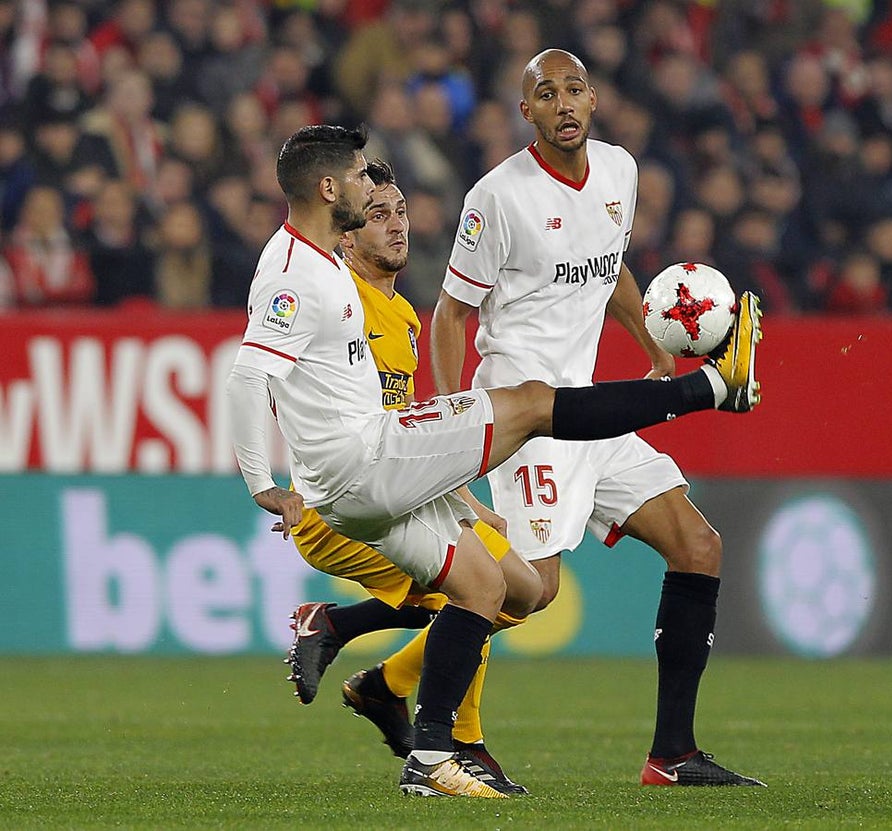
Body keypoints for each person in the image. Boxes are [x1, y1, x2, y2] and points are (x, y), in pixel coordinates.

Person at [227, 123, 760, 797]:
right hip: (358, 473)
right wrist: (263, 484)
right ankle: (710, 386)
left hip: (379, 464)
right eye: (367, 184)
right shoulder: (302, 276)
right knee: (534, 408)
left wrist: (455, 484)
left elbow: (326, 388)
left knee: (506, 585)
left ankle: (426, 753)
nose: (390, 209)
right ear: (331, 191)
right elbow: (251, 376)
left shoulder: (335, 269)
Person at [430, 49, 765, 787]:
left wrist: (651, 344)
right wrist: (457, 421)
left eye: (574, 89)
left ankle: (671, 754)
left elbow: (607, 267)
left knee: (698, 545)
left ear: (594, 97)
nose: (564, 104)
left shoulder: (621, 172)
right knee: (529, 591)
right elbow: (452, 310)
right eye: (546, 95)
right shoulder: (499, 196)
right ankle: (385, 671)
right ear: (528, 113)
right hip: (529, 417)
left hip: (597, 409)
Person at [282, 158, 528, 795]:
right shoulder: (338, 302)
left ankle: (368, 666)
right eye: (377, 215)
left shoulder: (404, 317)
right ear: (345, 234)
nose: (396, 226)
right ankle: (455, 745)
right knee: (479, 591)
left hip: (395, 493)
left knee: (523, 592)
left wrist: (465, 505)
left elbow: (404, 436)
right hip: (338, 508)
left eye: (400, 212)